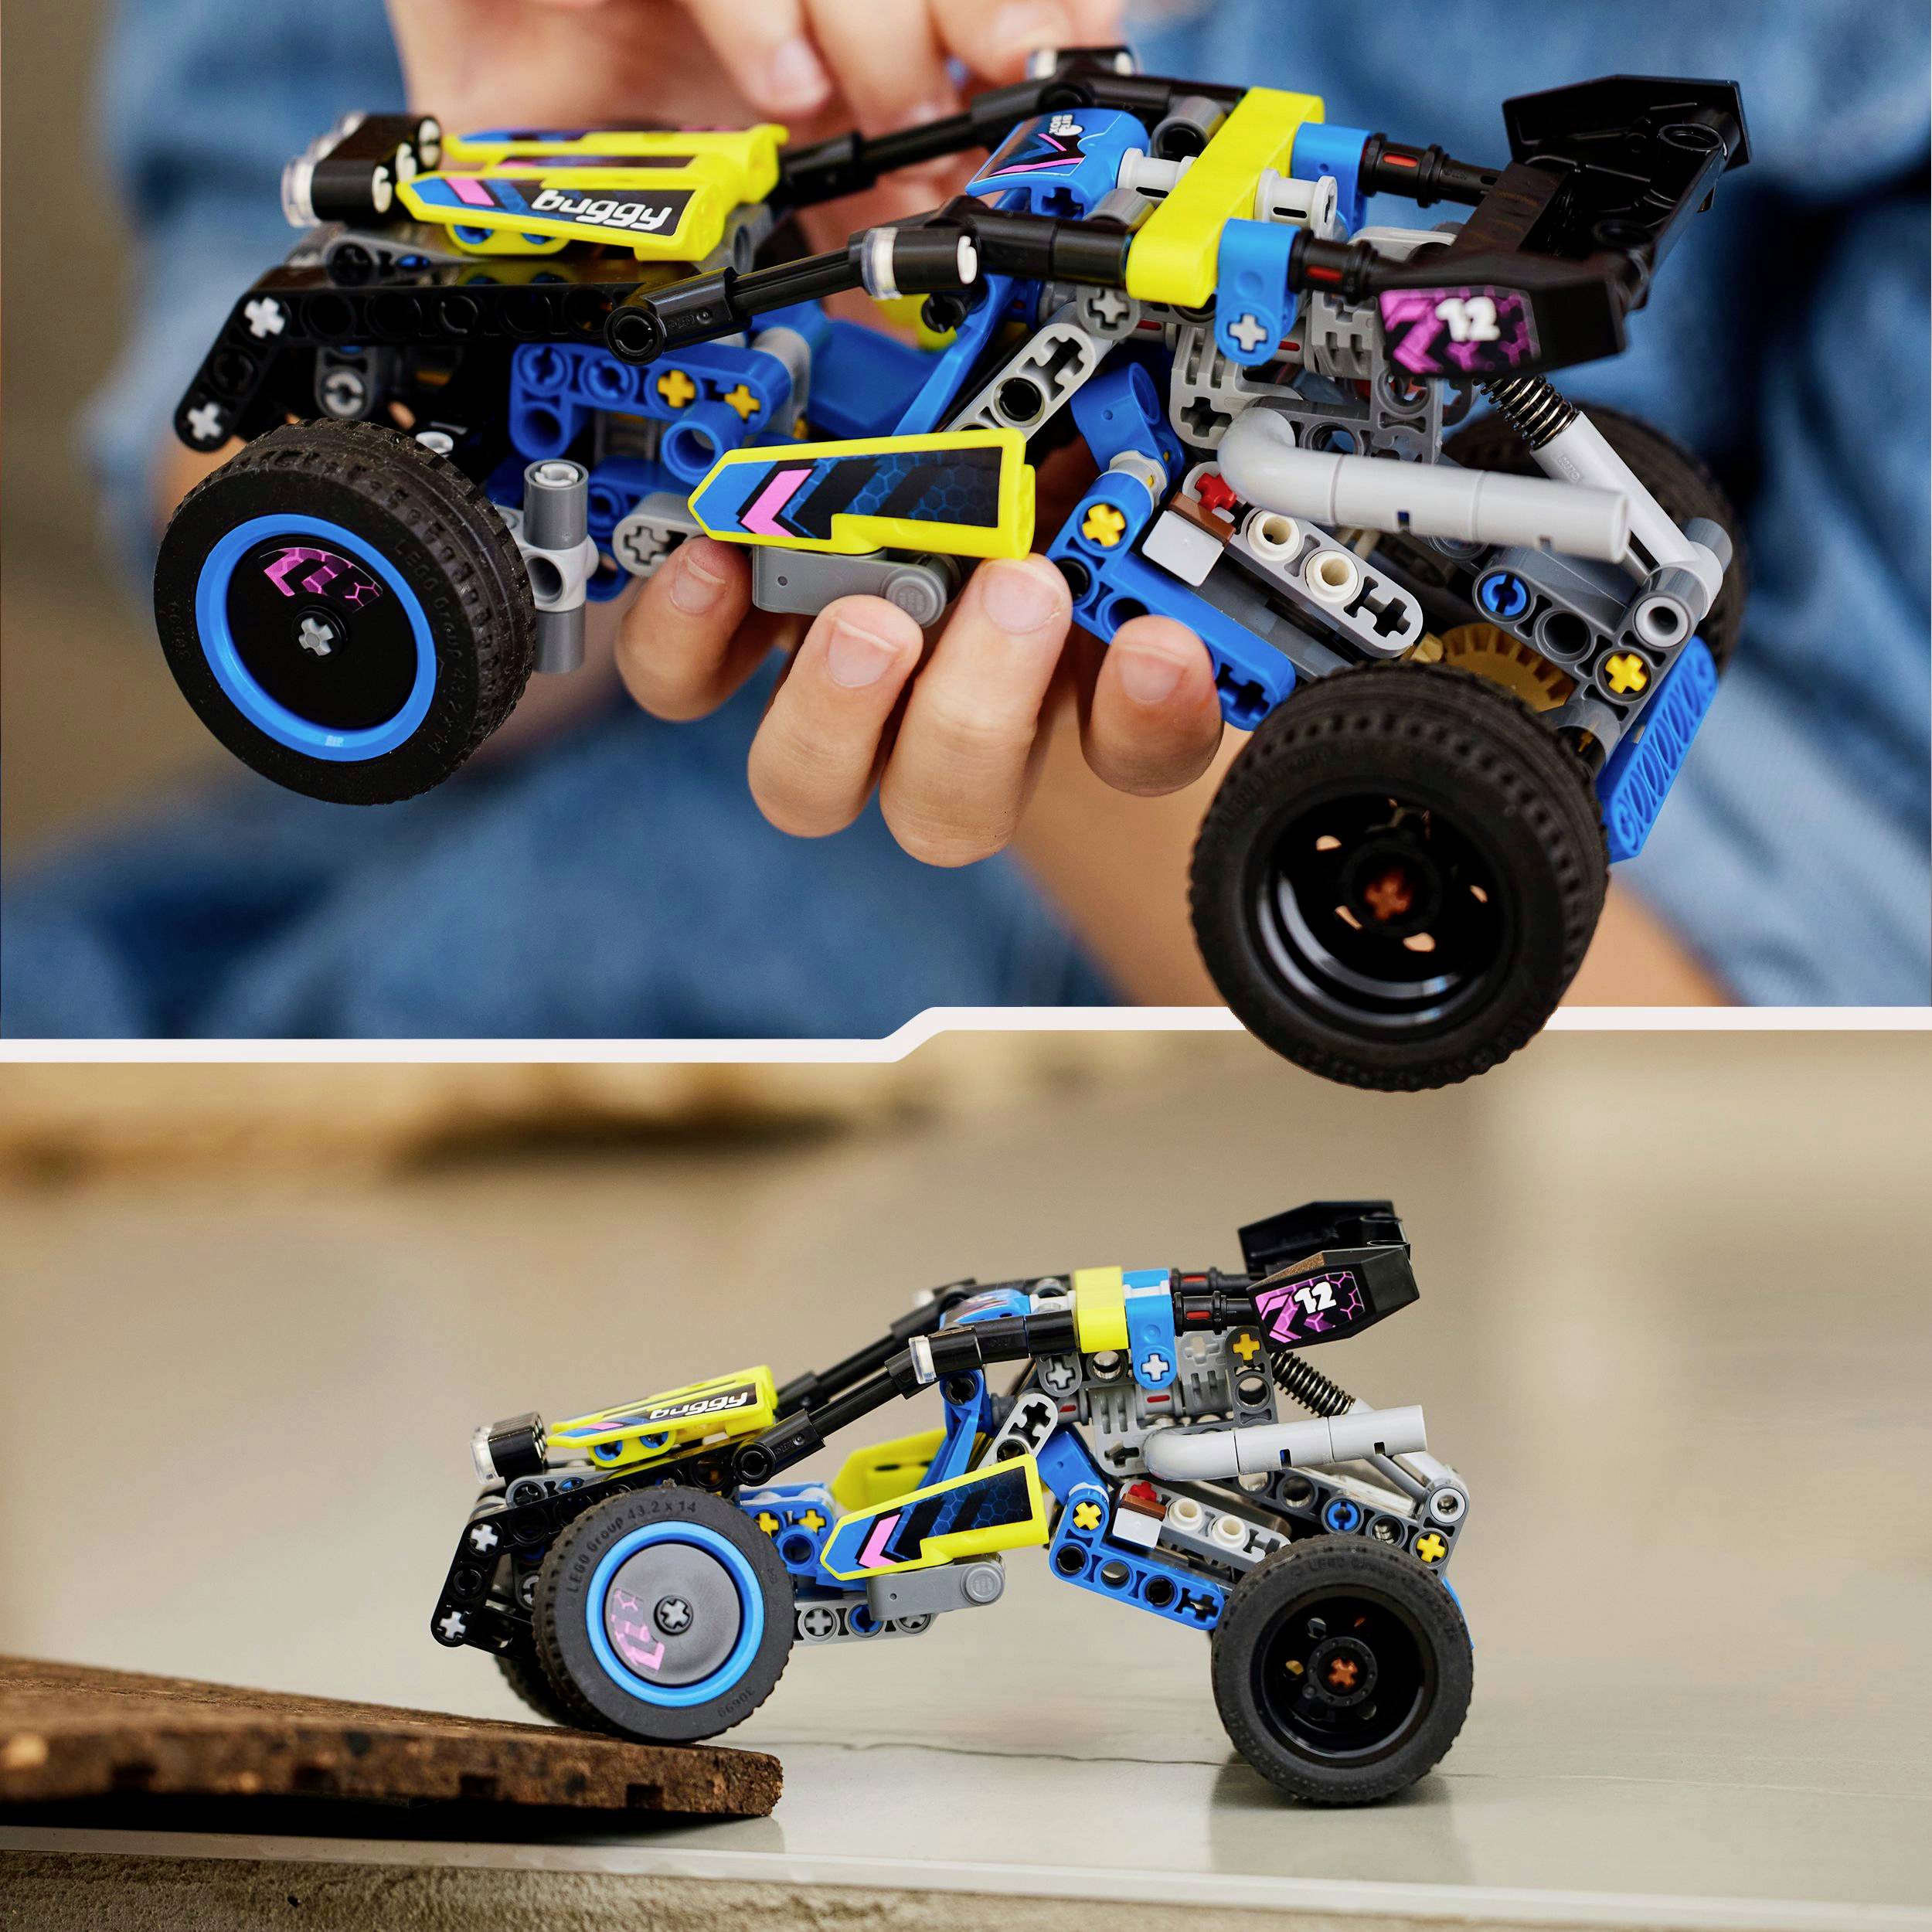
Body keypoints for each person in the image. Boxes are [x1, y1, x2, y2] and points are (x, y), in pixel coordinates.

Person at [4, 0, 1924, 1037]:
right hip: (251, 1011)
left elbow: (1756, 1068)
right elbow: (250, 510)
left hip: (1168, 1121)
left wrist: (1078, 727)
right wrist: (601, 155)